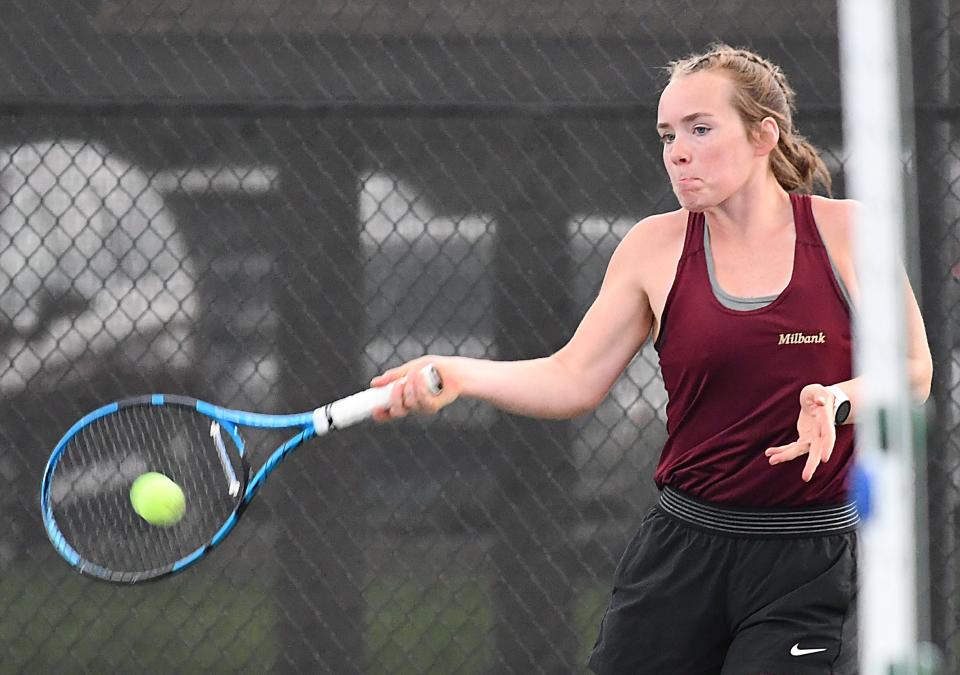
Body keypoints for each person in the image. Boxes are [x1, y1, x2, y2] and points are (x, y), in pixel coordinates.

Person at [370, 44, 933, 674]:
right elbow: (573, 376)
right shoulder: (653, 247)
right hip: (680, 553)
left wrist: (838, 398)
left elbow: (913, 370)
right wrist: (461, 375)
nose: (678, 152)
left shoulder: (847, 232)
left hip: (808, 561)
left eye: (699, 128)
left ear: (762, 136)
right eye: (667, 135)